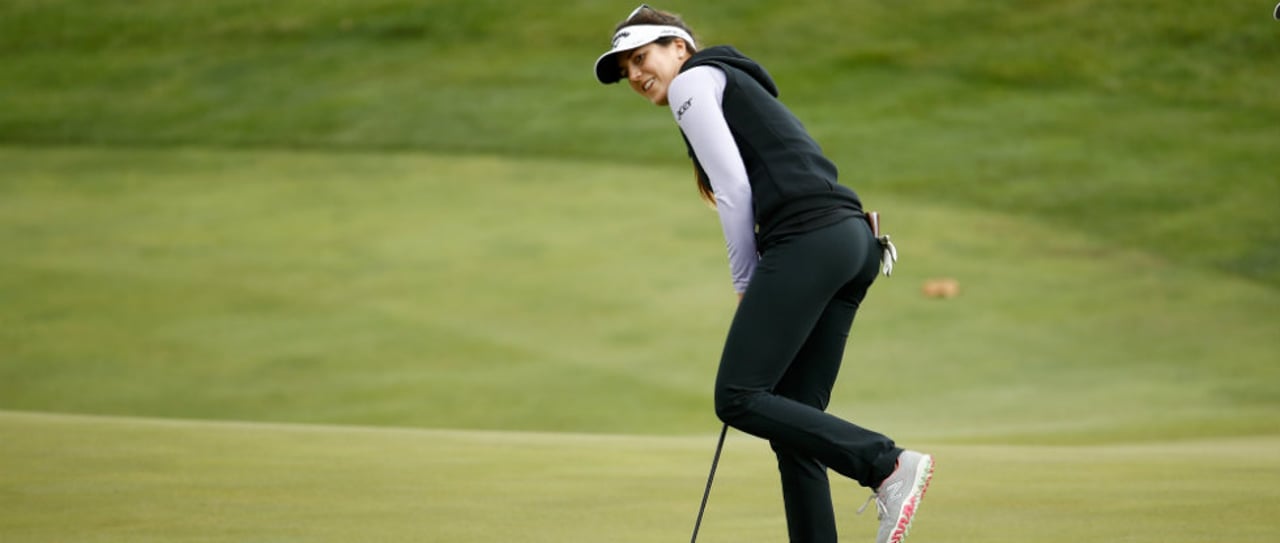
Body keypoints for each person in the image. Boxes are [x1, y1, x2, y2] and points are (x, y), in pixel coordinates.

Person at [592, 5, 934, 543]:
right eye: (624, 70)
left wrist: (745, 281)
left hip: (809, 241)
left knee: (737, 396)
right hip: (852, 244)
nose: (634, 74)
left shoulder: (694, 80)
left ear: (678, 46)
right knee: (796, 427)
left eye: (641, 57)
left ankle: (884, 464)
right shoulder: (729, 81)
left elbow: (734, 190)